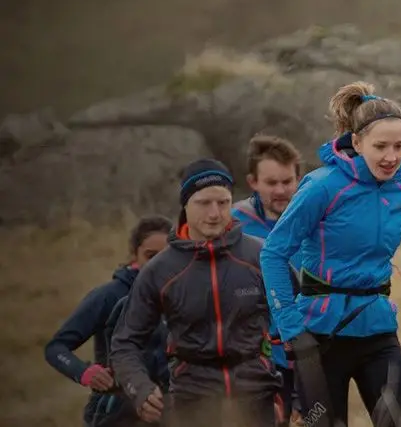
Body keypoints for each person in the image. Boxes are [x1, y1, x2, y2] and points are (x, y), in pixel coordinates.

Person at [259, 81, 401, 427]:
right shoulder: (322, 187)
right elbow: (273, 253)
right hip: (319, 337)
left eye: (398, 145)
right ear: (357, 141)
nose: (391, 157)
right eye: (381, 146)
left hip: (378, 331)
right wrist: (290, 328)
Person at [109, 159, 283, 427]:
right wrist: (140, 388)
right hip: (193, 398)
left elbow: (301, 327)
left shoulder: (262, 256)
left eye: (223, 202)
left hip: (256, 393)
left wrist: (294, 398)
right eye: (204, 203)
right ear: (185, 205)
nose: (215, 213)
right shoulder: (159, 270)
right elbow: (125, 343)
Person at [45, 215, 174, 427]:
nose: (159, 264)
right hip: (114, 412)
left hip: (168, 411)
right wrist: (84, 373)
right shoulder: (109, 296)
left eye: (166, 256)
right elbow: (56, 348)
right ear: (135, 255)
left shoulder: (184, 294)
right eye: (150, 256)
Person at [233, 134, 305, 422]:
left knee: (312, 419)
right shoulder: (232, 222)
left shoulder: (315, 217)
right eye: (271, 183)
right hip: (253, 357)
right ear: (253, 182)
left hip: (310, 350)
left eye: (287, 182)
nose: (280, 190)